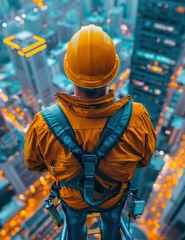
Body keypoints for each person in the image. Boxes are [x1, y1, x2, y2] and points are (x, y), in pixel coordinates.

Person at [24, 25, 156, 240]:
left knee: (74, 224)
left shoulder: (43, 124)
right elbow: (144, 159)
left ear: (69, 72)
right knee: (112, 221)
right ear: (112, 72)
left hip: (72, 198)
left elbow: (34, 164)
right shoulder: (137, 117)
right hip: (113, 197)